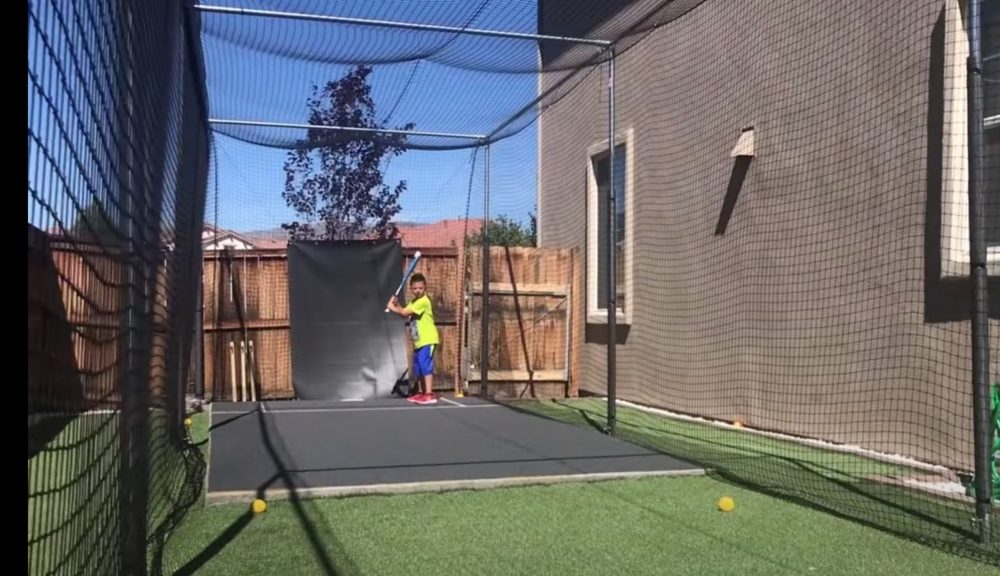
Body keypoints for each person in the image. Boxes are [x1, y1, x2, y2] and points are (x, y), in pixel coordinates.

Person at [386, 273, 439, 405]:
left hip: (428, 339)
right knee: (418, 367)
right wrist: (396, 305)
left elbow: (403, 313)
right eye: (415, 288)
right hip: (419, 342)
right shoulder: (414, 302)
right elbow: (404, 311)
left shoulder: (423, 301)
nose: (417, 291)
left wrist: (392, 307)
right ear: (411, 288)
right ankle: (422, 393)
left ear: (425, 287)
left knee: (425, 366)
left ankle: (429, 394)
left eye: (420, 288)